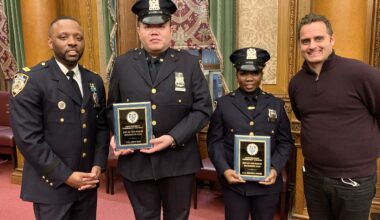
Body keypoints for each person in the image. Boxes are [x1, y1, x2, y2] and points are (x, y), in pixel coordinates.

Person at [106, 0, 212, 219]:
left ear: (170, 29)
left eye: (160, 26)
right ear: (139, 30)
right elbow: (110, 109)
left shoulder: (188, 64)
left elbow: (203, 109)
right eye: (147, 26)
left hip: (178, 161)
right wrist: (118, 133)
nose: (154, 32)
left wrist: (172, 137)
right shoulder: (123, 64)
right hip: (137, 161)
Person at [10, 16, 109, 220]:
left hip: (87, 183)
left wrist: (98, 164)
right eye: (63, 37)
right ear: (50, 42)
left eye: (78, 37)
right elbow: (28, 139)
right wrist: (66, 176)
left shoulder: (94, 81)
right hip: (52, 187)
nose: (72, 42)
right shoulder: (32, 80)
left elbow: (100, 126)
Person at [288, 13, 380, 220]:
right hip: (313, 178)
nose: (312, 46)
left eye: (318, 38)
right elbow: (306, 119)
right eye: (305, 41)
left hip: (354, 181)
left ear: (331, 39)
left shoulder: (361, 73)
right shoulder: (296, 84)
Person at [207, 47, 293, 220]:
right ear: (237, 74)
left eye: (254, 73)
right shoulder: (224, 104)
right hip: (235, 183)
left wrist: (275, 169)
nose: (249, 78)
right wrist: (224, 170)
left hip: (266, 184)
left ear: (261, 74)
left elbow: (285, 142)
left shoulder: (275, 105)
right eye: (243, 73)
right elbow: (214, 142)